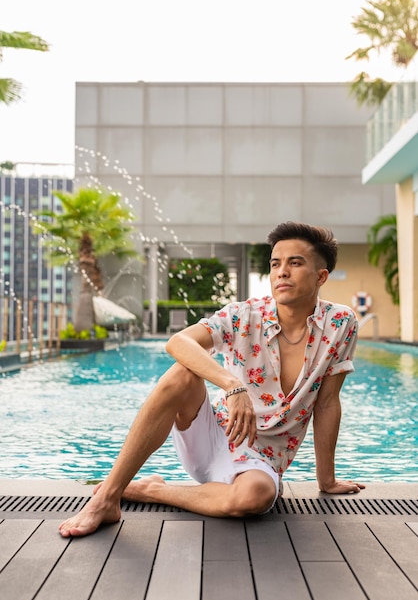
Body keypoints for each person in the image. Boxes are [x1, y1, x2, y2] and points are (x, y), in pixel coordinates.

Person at [59, 221, 365, 538]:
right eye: (276, 264)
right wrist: (231, 385)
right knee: (182, 373)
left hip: (262, 461)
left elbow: (328, 402)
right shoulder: (243, 315)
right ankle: (108, 497)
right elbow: (178, 342)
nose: (281, 272)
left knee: (254, 499)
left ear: (321, 276)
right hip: (212, 434)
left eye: (295, 263)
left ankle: (150, 491)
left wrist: (326, 481)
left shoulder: (340, 323)